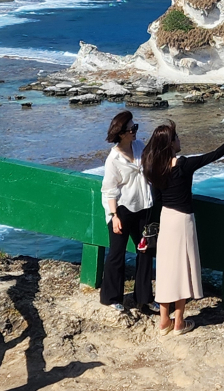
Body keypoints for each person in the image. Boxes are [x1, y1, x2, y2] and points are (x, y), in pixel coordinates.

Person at [142, 116, 224, 335]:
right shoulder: (183, 165)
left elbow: (157, 200)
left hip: (166, 219)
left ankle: (163, 322)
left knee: (165, 270)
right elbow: (217, 154)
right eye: (176, 137)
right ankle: (178, 322)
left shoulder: (154, 168)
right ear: (171, 144)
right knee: (182, 270)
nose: (180, 140)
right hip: (183, 220)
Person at [100, 110, 157, 313]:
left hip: (144, 208)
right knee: (117, 253)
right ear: (121, 133)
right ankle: (111, 297)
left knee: (145, 251)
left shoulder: (139, 146)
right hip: (122, 211)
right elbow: (109, 190)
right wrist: (114, 216)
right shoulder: (113, 159)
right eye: (132, 129)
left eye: (135, 127)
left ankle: (144, 298)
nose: (135, 131)